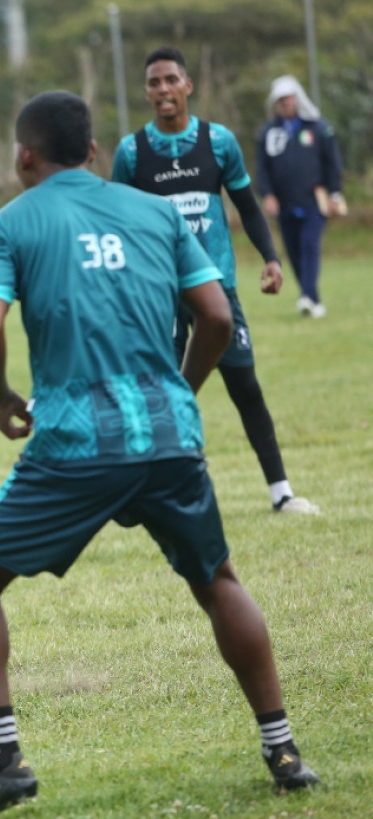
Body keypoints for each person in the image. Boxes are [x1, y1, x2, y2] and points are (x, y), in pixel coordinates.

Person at [0, 90, 320, 819]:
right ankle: (282, 749)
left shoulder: (8, 223)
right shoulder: (153, 212)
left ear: (24, 155)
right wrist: (181, 391)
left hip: (73, 443)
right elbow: (214, 315)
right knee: (217, 579)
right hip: (167, 436)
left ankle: (3, 761)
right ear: (92, 151)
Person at [112, 46, 318, 516]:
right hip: (159, 293)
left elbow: (246, 204)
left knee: (244, 385)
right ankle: (162, 492)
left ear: (187, 85)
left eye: (171, 80)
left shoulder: (218, 141)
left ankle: (281, 491)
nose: (163, 89)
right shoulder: (132, 152)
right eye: (154, 83)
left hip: (216, 289)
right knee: (164, 391)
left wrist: (270, 257)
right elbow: (119, 222)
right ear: (146, 93)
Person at [256, 75, 346, 318]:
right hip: (285, 204)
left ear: (297, 99)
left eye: (289, 98)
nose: (286, 103)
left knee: (309, 246)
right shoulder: (268, 133)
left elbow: (332, 163)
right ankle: (311, 298)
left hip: (314, 202)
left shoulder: (319, 128)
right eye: (281, 99)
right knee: (294, 252)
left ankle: (307, 297)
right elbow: (262, 168)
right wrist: (267, 195)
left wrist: (335, 193)